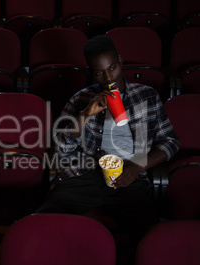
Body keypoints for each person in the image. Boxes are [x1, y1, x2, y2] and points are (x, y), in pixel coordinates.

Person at [36, 35, 179, 244]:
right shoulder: (80, 99)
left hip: (130, 176)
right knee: (42, 222)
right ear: (91, 73)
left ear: (120, 60)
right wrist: (85, 114)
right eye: (99, 73)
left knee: (152, 238)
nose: (108, 77)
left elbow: (171, 141)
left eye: (112, 68)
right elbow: (61, 151)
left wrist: (137, 167)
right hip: (85, 173)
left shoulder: (146, 96)